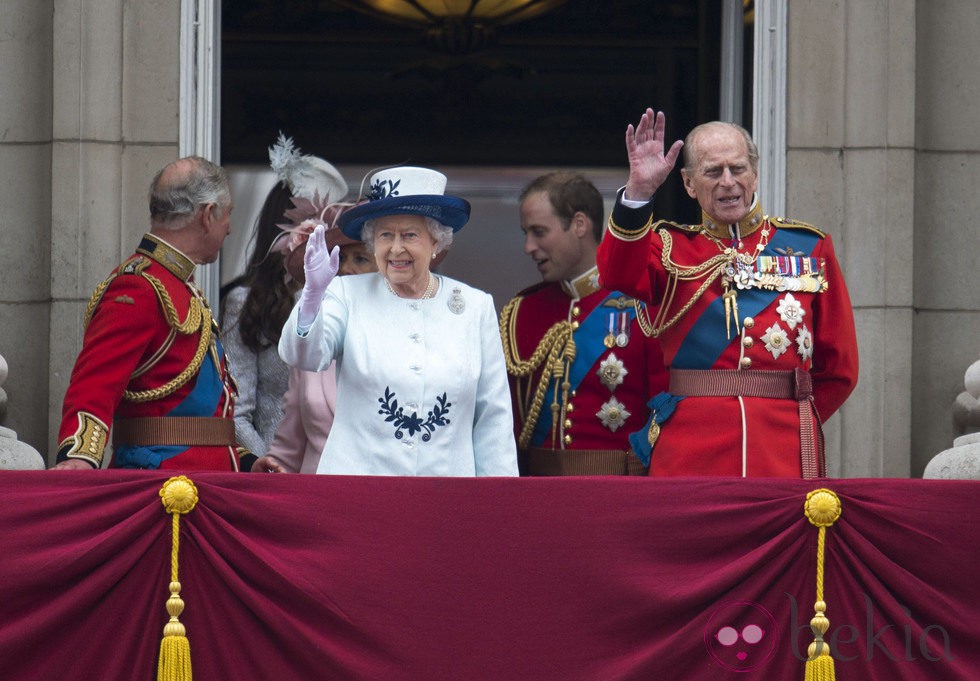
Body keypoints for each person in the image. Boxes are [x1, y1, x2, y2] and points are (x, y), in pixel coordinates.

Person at [596, 109, 859, 478]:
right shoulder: (669, 247)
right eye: (712, 172)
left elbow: (840, 368)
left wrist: (796, 419)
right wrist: (639, 192)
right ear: (688, 183)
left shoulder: (808, 248)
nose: (727, 182)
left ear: (754, 174)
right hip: (690, 449)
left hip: (782, 448)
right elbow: (615, 273)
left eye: (737, 169)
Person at [274, 166, 518, 476]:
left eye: (410, 235)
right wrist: (312, 295)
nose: (396, 248)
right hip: (359, 494)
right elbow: (303, 355)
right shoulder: (346, 293)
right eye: (385, 235)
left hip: (447, 497)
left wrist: (495, 503)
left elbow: (493, 417)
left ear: (436, 242)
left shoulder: (474, 306)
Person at [52, 156, 247, 470]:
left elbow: (202, 412)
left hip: (203, 483)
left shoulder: (180, 286)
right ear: (208, 215)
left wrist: (246, 461)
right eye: (228, 215)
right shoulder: (139, 288)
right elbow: (94, 385)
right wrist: (78, 458)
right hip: (163, 489)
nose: (230, 229)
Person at [498, 172, 668, 475]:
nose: (528, 246)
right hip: (536, 493)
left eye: (539, 232)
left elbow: (664, 414)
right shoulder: (520, 313)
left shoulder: (643, 307)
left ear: (579, 224)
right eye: (526, 233)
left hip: (619, 495)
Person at [220, 135, 349, 458]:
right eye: (317, 231)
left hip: (344, 470)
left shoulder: (348, 298)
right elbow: (236, 409)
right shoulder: (247, 301)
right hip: (279, 470)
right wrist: (271, 466)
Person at [259, 222, 379, 474]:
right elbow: (290, 445)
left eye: (360, 259)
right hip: (319, 499)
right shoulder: (310, 342)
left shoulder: (403, 341)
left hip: (385, 498)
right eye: (341, 257)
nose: (345, 268)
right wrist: (268, 470)